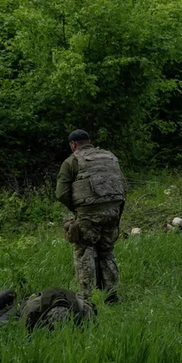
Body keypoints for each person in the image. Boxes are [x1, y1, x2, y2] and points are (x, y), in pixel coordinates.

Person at [55, 130, 126, 303]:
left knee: (83, 250)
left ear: (73, 145)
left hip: (88, 214)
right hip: (113, 211)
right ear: (89, 141)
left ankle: (85, 299)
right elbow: (123, 186)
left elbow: (61, 193)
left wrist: (78, 210)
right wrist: (117, 211)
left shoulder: (72, 161)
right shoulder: (110, 158)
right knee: (107, 251)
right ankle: (112, 296)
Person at [17, 287, 97, 331]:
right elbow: (23, 328)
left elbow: (95, 326)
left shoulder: (83, 308)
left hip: (72, 299)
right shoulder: (33, 308)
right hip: (37, 299)